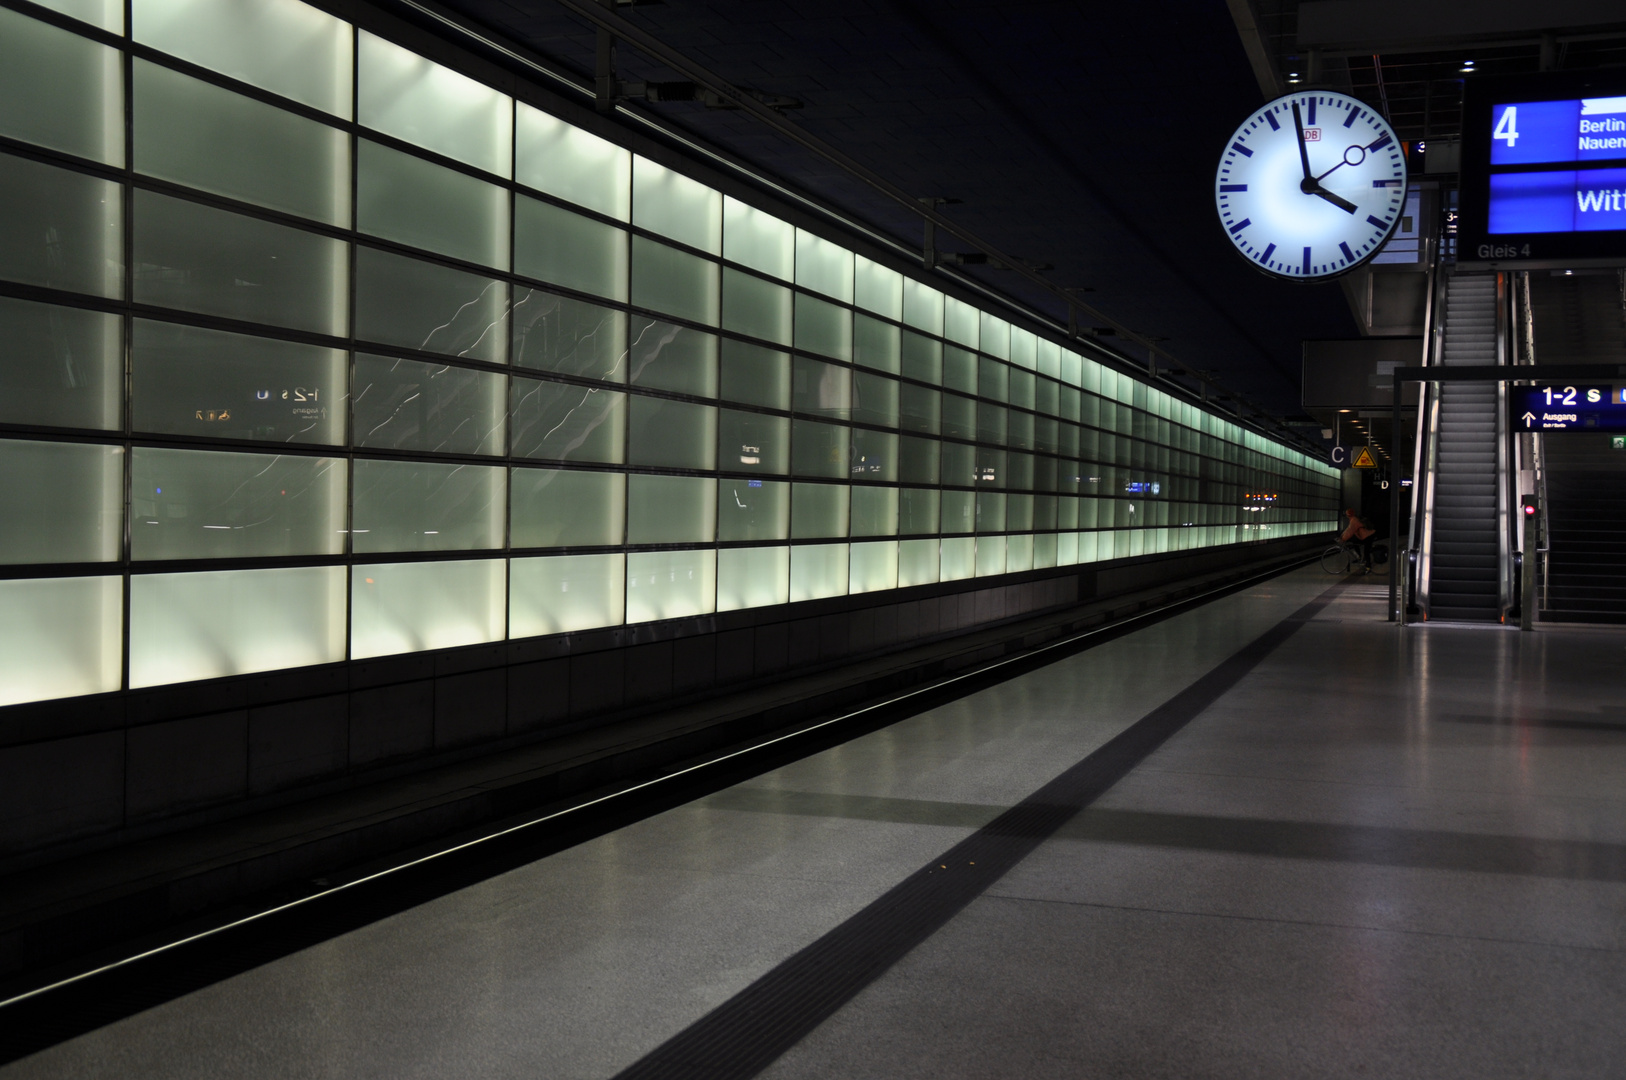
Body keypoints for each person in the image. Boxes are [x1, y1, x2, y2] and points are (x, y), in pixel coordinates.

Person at [1339, 509, 1379, 573]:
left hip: (1368, 536)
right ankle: (1359, 557)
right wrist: (1341, 536)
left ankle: (1368, 567)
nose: (1346, 516)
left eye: (1346, 514)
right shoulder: (1353, 519)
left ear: (1348, 515)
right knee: (1354, 541)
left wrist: (1343, 539)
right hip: (1365, 536)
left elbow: (1350, 531)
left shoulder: (1354, 521)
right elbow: (1348, 529)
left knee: (1366, 552)